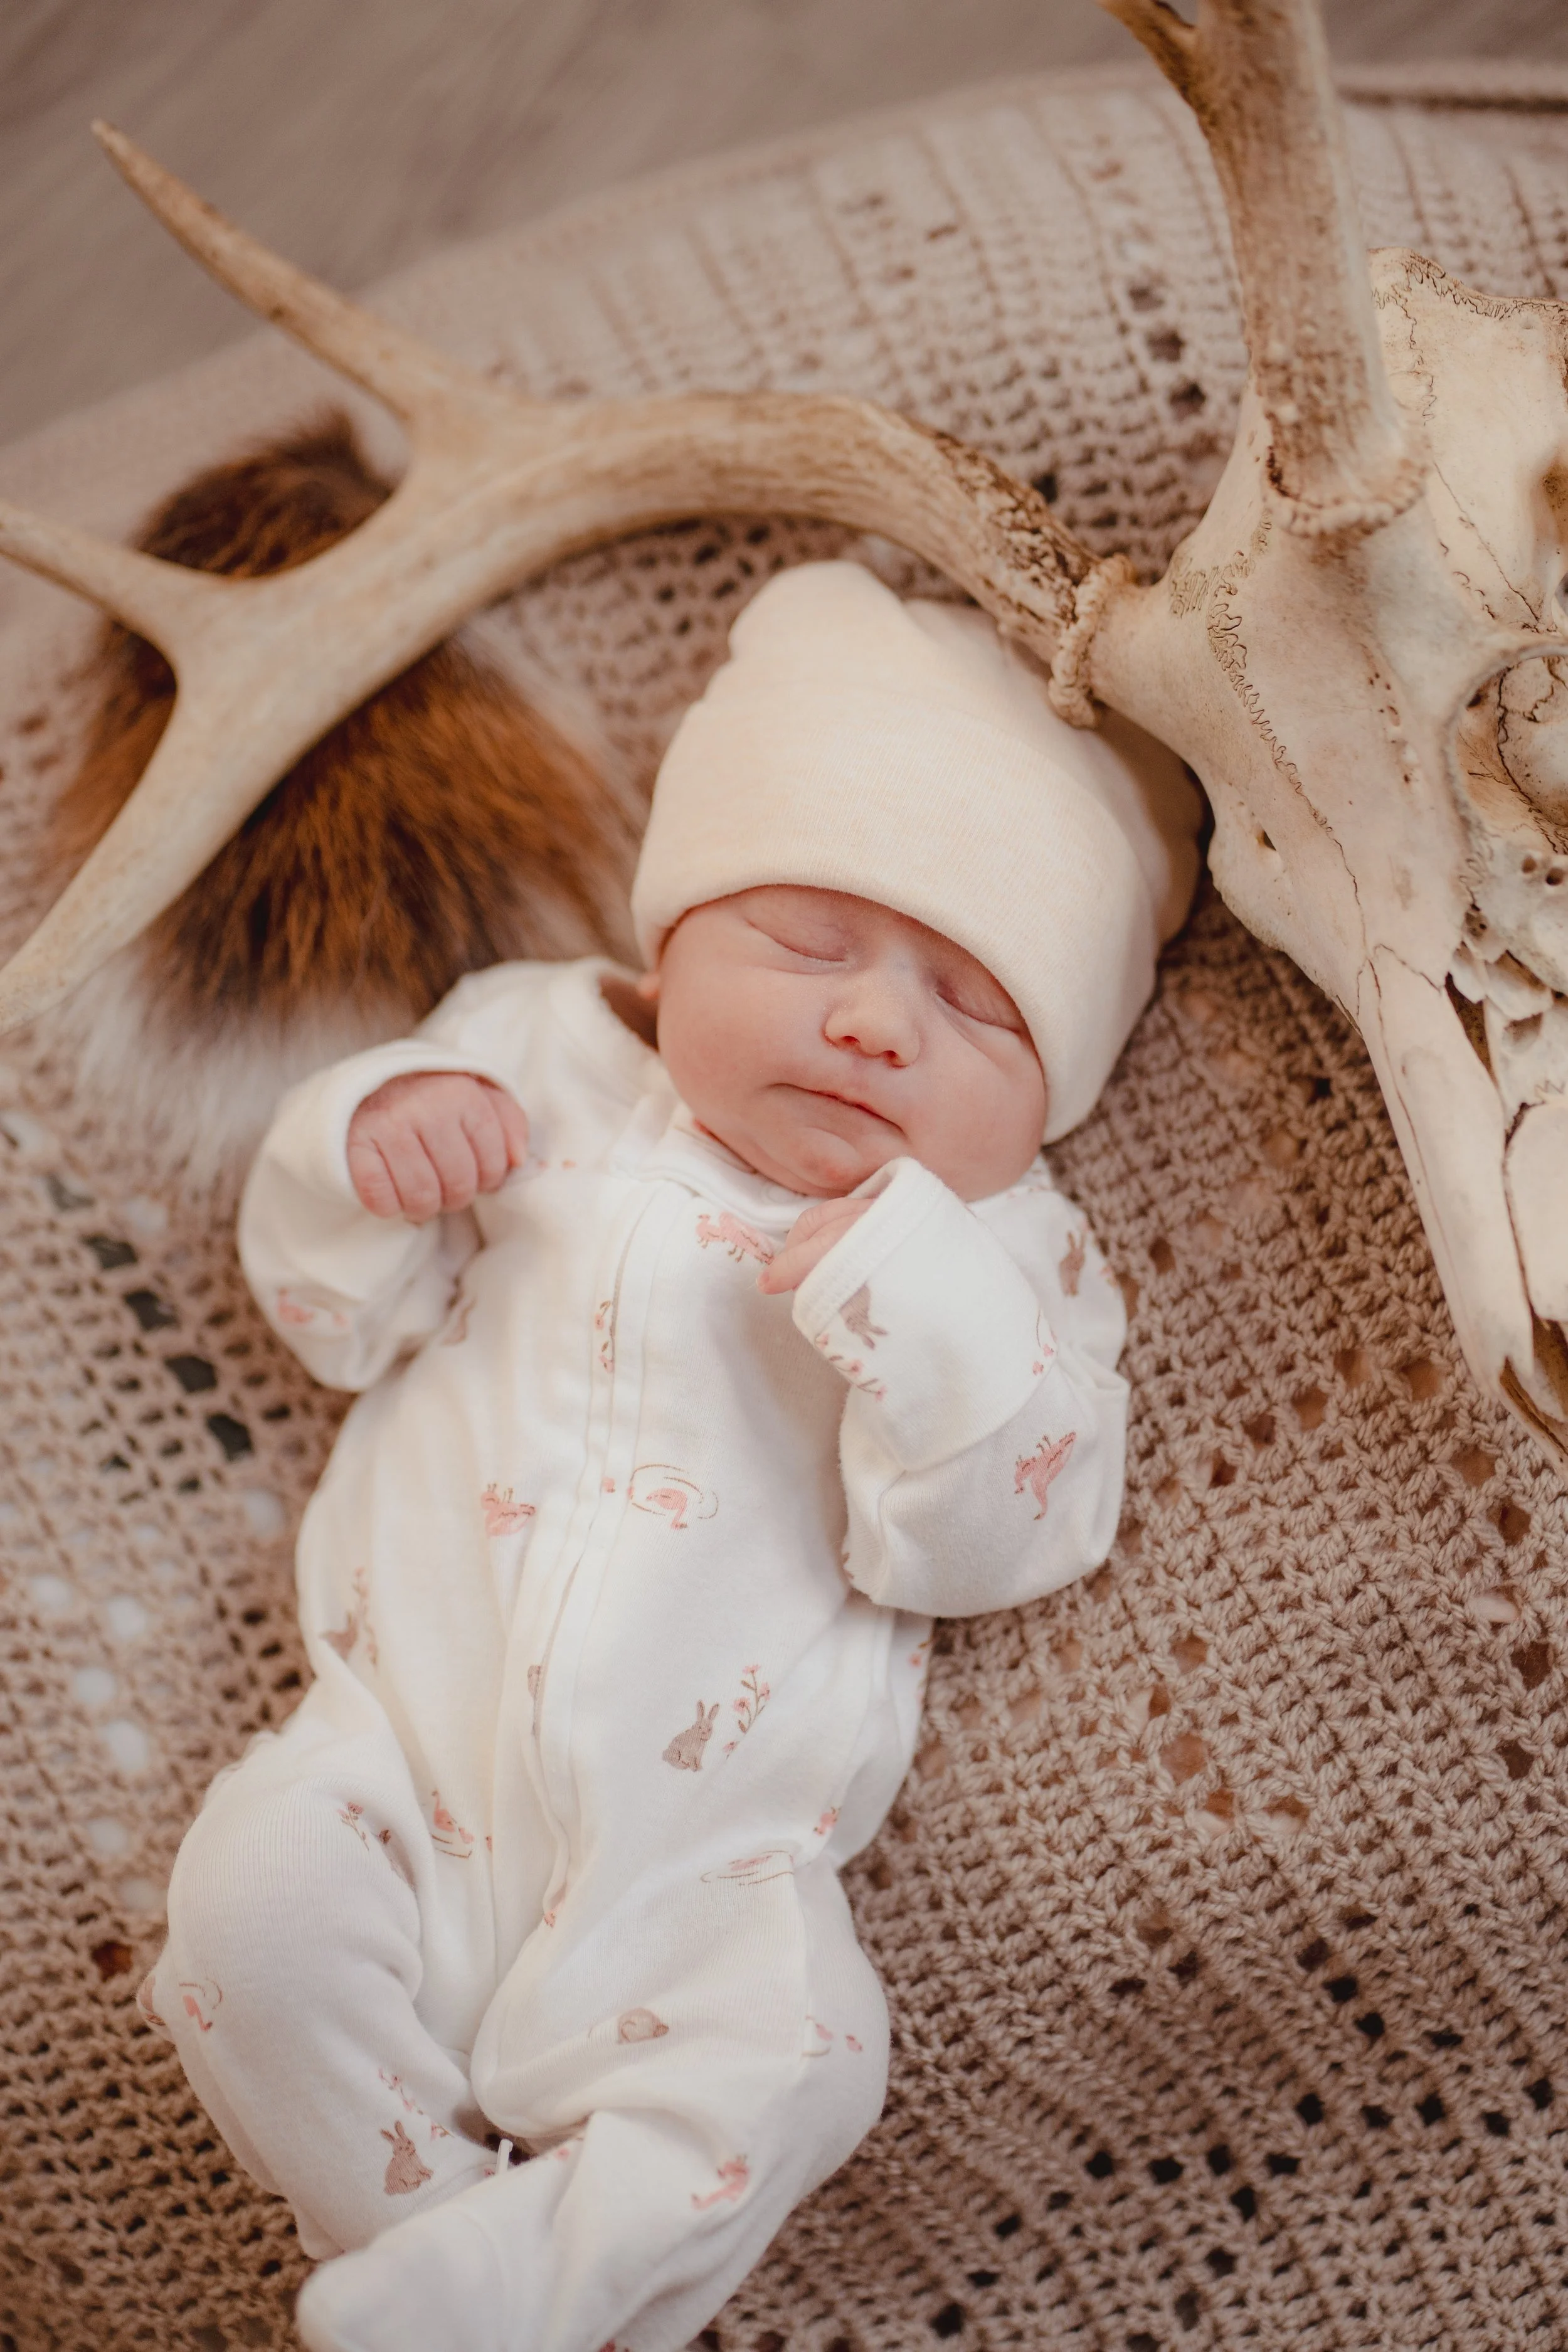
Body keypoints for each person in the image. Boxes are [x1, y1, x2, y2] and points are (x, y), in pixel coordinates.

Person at [141, 561, 1201, 2352]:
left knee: (802, 2059)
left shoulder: (1007, 1253)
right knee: (250, 1915)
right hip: (391, 1755)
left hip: (696, 1860)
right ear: (670, 940)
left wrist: (927, 1313)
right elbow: (333, 1318)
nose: (876, 1022)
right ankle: (449, 2257)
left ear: (1055, 1095)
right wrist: (363, 1146)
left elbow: (997, 1536)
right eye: (809, 944)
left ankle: (474, 2302)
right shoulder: (525, 1047)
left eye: (979, 1007)